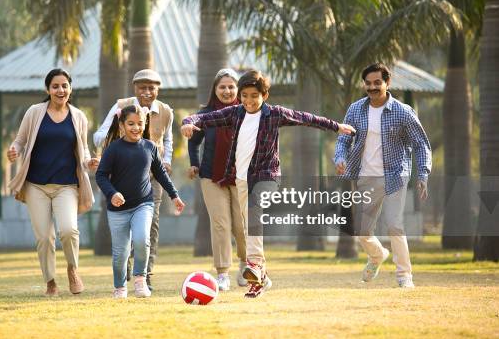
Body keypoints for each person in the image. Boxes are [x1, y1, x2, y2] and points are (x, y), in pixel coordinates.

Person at [181, 70, 355, 298]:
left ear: (265, 95)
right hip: (241, 178)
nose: (248, 101)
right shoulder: (234, 113)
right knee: (247, 224)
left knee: (254, 210)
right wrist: (187, 122)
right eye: (244, 95)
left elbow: (306, 118)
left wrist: (336, 126)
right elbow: (204, 118)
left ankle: (252, 265)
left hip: (267, 176)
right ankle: (260, 277)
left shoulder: (275, 114)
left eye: (254, 95)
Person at [334, 62, 431, 288]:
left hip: (395, 175)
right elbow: (344, 139)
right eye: (368, 83)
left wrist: (423, 173)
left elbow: (421, 144)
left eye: (377, 82)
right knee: (362, 231)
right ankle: (377, 255)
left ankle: (404, 276)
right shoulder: (355, 109)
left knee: (394, 224)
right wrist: (339, 158)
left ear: (387, 83)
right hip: (366, 176)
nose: (372, 87)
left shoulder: (403, 112)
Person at [7, 68, 95, 296]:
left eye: (64, 85)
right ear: (48, 89)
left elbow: (83, 149)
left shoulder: (78, 117)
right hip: (36, 185)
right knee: (45, 237)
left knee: (68, 230)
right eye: (55, 86)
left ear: (70, 89)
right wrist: (14, 151)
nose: (60, 90)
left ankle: (73, 269)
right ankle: (50, 281)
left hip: (66, 186)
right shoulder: (35, 112)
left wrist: (89, 162)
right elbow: (20, 141)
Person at [93, 69, 173, 290]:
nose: (147, 92)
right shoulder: (121, 107)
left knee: (150, 227)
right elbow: (99, 136)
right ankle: (125, 267)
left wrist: (166, 160)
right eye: (142, 87)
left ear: (158, 89)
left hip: (151, 176)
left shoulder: (166, 111)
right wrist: (117, 133)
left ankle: (145, 275)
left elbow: (168, 140)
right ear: (134, 88)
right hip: (121, 175)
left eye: (151, 87)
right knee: (123, 228)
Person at [95, 105, 186, 299]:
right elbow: (101, 176)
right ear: (121, 125)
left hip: (143, 204)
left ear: (145, 124)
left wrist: (174, 195)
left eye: (139, 123)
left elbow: (161, 175)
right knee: (120, 253)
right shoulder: (113, 149)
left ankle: (140, 280)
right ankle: (119, 287)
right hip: (117, 209)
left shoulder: (149, 147)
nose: (136, 128)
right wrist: (112, 193)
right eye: (130, 124)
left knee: (142, 239)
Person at [187, 68, 247, 291]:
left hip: (240, 177)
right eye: (222, 87)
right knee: (221, 224)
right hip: (211, 175)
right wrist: (194, 162)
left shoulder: (246, 112)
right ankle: (222, 273)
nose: (227, 90)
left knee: (241, 226)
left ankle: (245, 265)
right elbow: (193, 142)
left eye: (231, 86)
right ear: (215, 89)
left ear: (238, 89)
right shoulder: (206, 114)